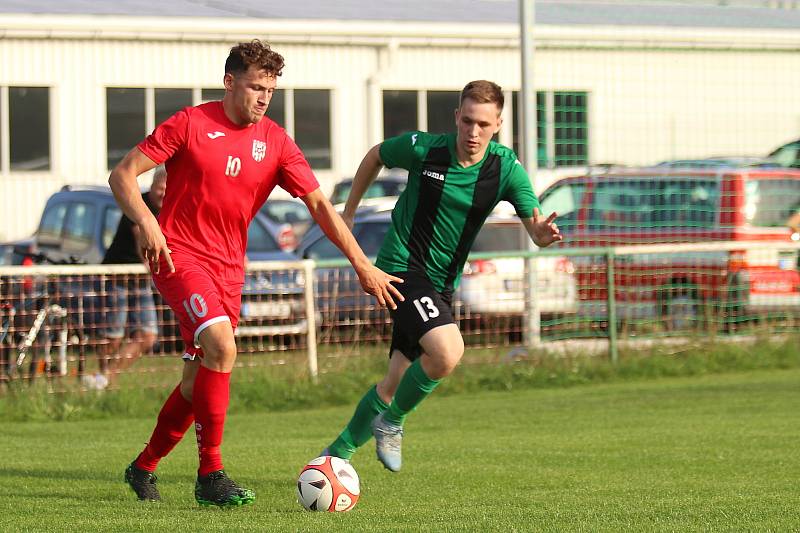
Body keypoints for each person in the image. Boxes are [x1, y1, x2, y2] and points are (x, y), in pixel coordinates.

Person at [109, 39, 403, 506]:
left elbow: (320, 206)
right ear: (230, 83)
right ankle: (211, 475)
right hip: (178, 256)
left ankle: (143, 466)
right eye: (255, 87)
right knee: (222, 346)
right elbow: (123, 174)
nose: (264, 97)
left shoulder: (277, 142)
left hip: (229, 269)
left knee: (195, 381)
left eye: (270, 89)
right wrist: (146, 222)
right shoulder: (190, 123)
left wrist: (362, 265)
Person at [321, 80, 562, 472]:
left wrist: (543, 235)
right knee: (448, 352)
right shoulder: (426, 148)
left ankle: (332, 459)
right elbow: (376, 155)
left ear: (498, 123)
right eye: (467, 121)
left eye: (483, 124)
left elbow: (534, 227)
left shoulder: (505, 169)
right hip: (401, 268)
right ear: (456, 117)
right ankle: (392, 423)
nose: (473, 132)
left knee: (396, 381)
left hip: (441, 284)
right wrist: (348, 212)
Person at [92, 167, 167, 390]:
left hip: (141, 280)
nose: (163, 194)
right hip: (118, 275)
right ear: (152, 186)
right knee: (113, 336)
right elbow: (141, 237)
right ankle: (100, 375)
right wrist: (151, 261)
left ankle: (108, 376)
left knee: (148, 336)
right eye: (159, 188)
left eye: (167, 190)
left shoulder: (171, 208)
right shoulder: (139, 205)